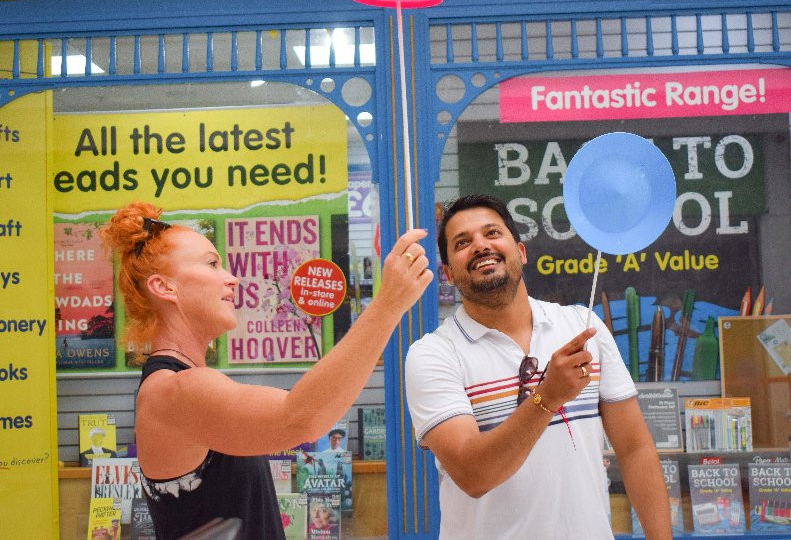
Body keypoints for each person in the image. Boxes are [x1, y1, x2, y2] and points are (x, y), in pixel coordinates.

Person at [100, 201, 432, 540]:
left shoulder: (176, 386)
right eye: (212, 264)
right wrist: (388, 304)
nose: (232, 278)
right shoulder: (175, 391)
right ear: (165, 287)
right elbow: (302, 419)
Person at [404, 194, 671, 539]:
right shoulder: (433, 355)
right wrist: (548, 396)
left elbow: (634, 449)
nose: (481, 246)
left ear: (521, 252)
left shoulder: (582, 327)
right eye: (463, 242)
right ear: (448, 274)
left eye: (492, 234)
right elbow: (473, 475)